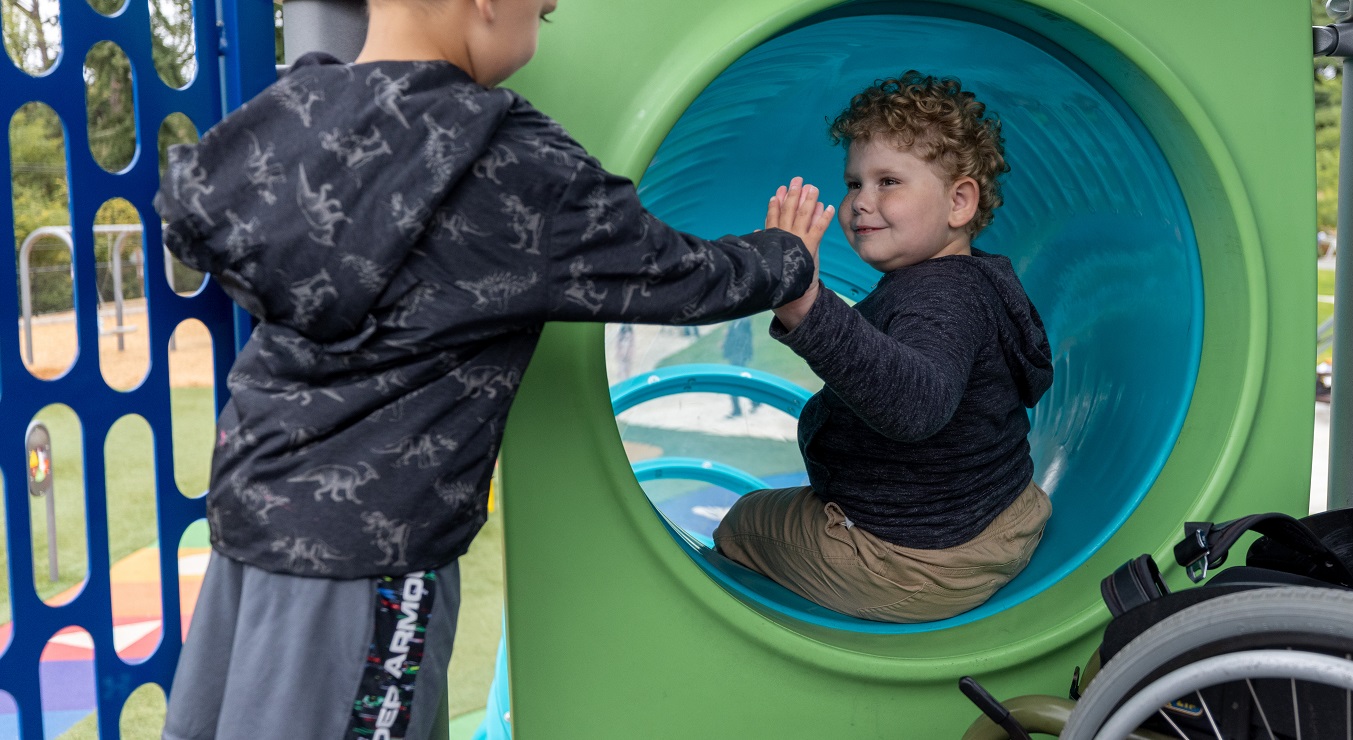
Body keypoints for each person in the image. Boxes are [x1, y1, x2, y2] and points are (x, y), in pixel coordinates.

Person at [152, 0, 833, 737]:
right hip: (370, 554)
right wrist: (784, 254)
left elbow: (191, 207)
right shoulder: (509, 163)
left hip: (250, 517)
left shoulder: (292, 115)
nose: (545, 11)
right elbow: (682, 274)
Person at [714, 71, 1053, 624]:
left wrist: (805, 307)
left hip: (915, 563)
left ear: (959, 201)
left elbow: (915, 405)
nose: (860, 203)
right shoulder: (972, 281)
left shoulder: (942, 298)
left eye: (888, 181)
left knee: (743, 522)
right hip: (1001, 516)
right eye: (853, 184)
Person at [722, 317, 759, 417]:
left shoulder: (744, 322)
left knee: (735, 383)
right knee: (742, 383)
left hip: (739, 358)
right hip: (735, 357)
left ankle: (737, 409)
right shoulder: (735, 323)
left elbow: (743, 339)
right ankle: (754, 401)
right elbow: (732, 338)